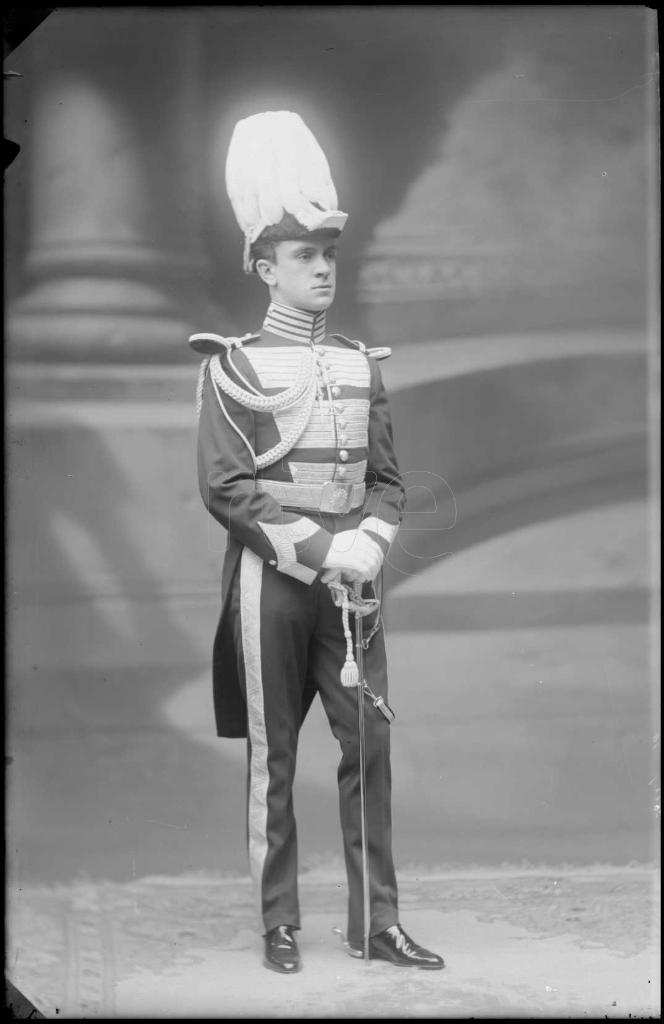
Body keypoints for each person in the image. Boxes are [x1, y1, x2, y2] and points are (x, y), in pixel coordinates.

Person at [191, 111, 444, 974]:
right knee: (276, 759)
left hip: (356, 584)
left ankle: (375, 922)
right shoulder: (232, 367)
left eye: (329, 254)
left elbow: (387, 479)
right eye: (305, 256)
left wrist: (369, 541)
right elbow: (226, 486)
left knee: (368, 749)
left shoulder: (359, 364)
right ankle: (279, 923)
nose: (324, 269)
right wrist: (318, 548)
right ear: (266, 268)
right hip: (275, 580)